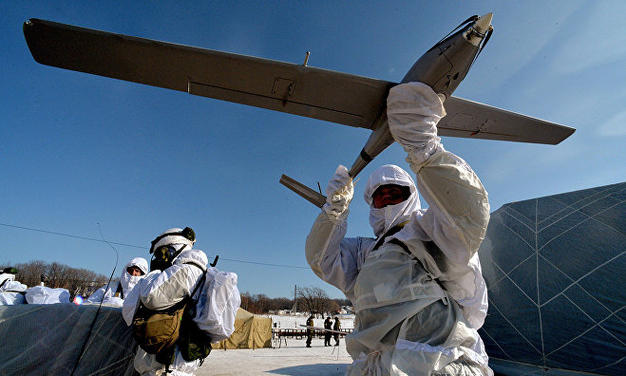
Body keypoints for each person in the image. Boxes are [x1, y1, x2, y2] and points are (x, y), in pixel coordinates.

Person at [305, 82, 492, 375]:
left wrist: (425, 150)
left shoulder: (429, 227)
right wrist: (334, 211)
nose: (388, 200)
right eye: (380, 196)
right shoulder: (365, 252)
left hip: (439, 359)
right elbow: (321, 259)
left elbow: (466, 216)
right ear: (371, 204)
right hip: (376, 365)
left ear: (412, 195)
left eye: (396, 193)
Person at [122, 227, 240, 376]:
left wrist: (152, 275)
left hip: (164, 368)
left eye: (161, 253)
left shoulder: (186, 270)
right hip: (176, 366)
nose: (159, 259)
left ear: (173, 249)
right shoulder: (197, 273)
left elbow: (150, 298)